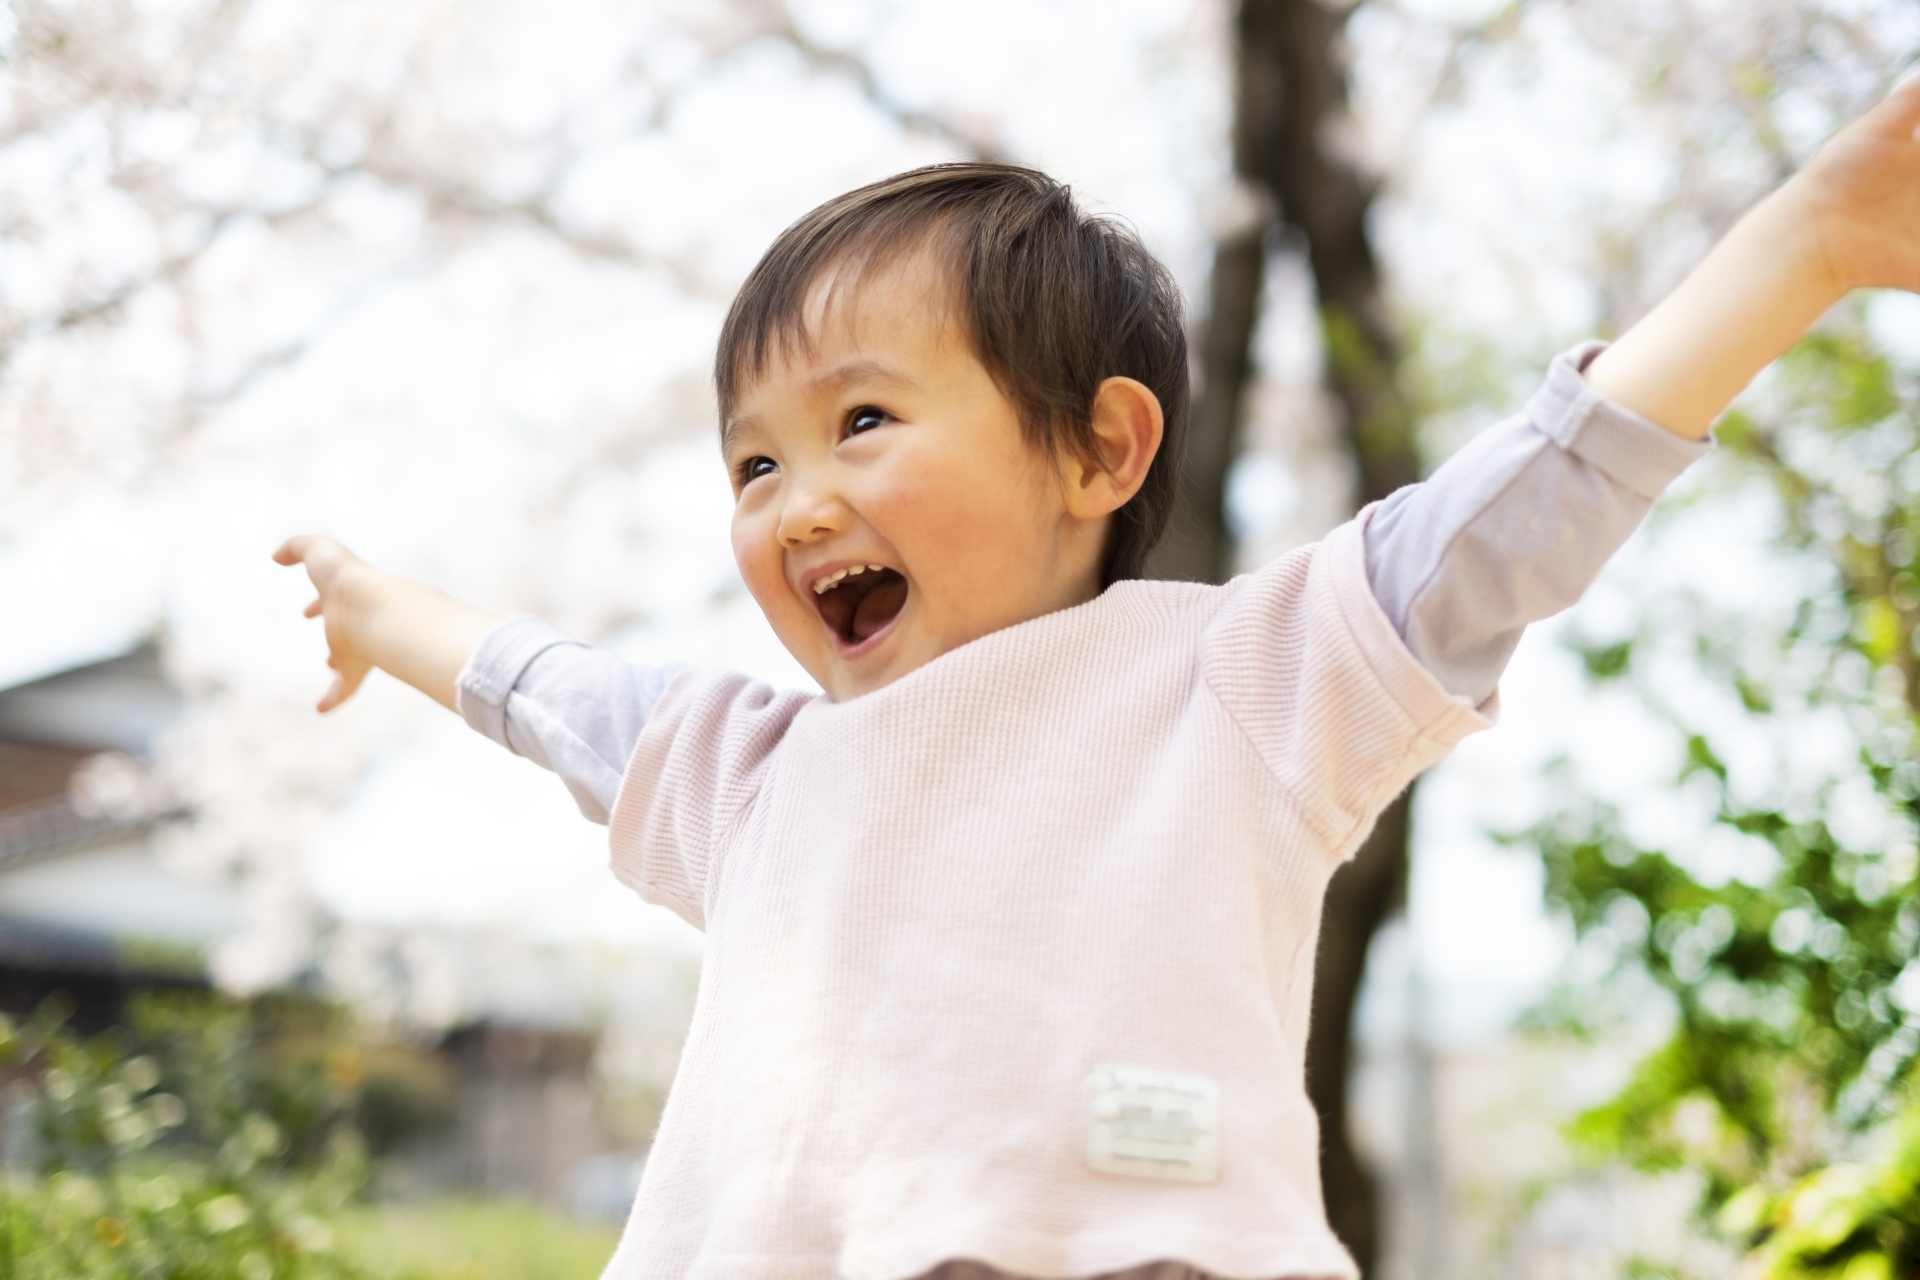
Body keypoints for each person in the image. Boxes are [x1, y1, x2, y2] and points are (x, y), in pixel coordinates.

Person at [275, 79, 1920, 1280]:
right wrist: (373, 608)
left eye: (862, 423)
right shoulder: (747, 770)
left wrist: (1808, 243)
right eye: (753, 465)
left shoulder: (1242, 680)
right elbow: (540, 688)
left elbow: (1517, 516)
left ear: (1100, 449)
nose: (798, 502)